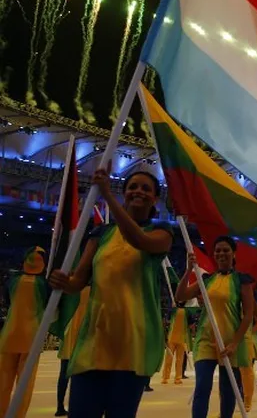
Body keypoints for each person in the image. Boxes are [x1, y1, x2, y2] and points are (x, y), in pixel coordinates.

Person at [49, 169, 172, 417]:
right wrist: (63, 281)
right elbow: (79, 281)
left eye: (146, 189)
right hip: (96, 339)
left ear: (155, 199)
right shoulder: (100, 234)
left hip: (133, 342)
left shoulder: (161, 232)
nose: (138, 191)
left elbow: (137, 240)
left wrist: (108, 196)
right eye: (133, 186)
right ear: (125, 192)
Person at [176, 236, 255, 418]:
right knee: (202, 387)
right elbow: (180, 296)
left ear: (234, 253)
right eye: (218, 250)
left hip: (229, 344)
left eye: (226, 250)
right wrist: (188, 271)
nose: (221, 253)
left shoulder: (242, 281)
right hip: (205, 341)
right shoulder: (206, 279)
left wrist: (235, 343)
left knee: (227, 392)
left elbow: (248, 315)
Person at [0, 246, 49, 418]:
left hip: (8, 336)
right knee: (25, 385)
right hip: (32, 340)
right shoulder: (45, 285)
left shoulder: (12, 281)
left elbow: (7, 301)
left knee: (3, 383)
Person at [55, 285, 90, 417]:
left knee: (64, 372)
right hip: (84, 333)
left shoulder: (70, 290)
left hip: (69, 332)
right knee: (82, 373)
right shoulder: (93, 290)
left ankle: (59, 406)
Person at [161, 302, 193, 385]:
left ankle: (177, 378)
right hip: (173, 338)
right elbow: (166, 320)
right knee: (170, 359)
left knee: (179, 360)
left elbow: (191, 325)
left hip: (181, 339)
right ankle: (166, 377)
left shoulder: (187, 311)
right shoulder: (173, 310)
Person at [241, 306, 257, 412]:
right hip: (230, 338)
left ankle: (247, 399)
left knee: (247, 370)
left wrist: (249, 332)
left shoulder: (249, 297)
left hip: (248, 340)